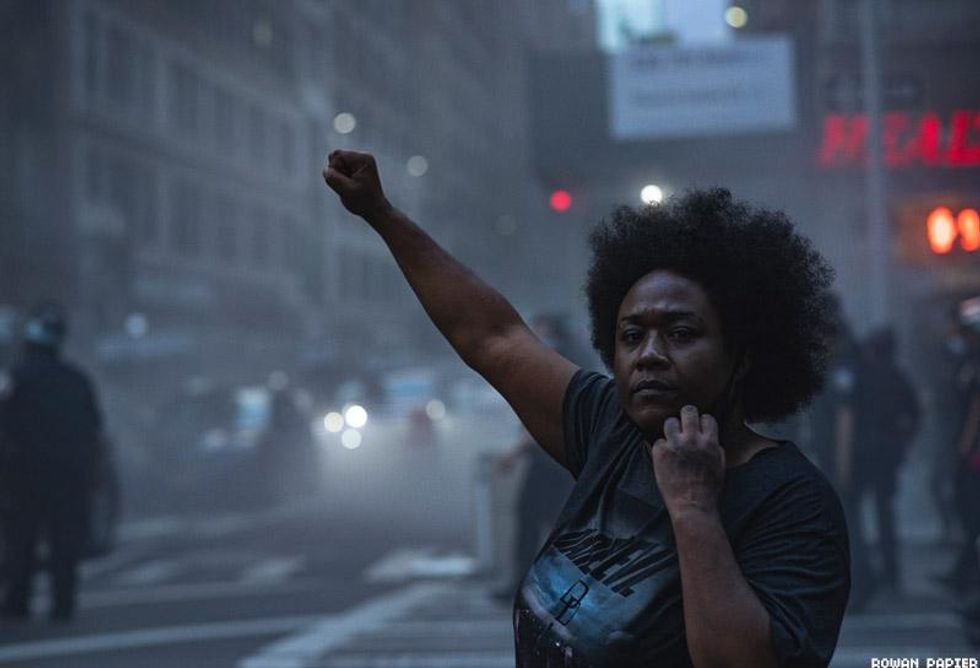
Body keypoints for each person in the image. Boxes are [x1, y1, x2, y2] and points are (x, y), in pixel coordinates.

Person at [323, 150, 849, 666]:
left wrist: (693, 508)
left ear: (743, 355)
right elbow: (493, 336)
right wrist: (381, 213)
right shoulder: (610, 427)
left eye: (681, 333)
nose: (649, 355)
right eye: (631, 335)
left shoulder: (791, 500)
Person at [0, 302, 104, 621]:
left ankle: (19, 601)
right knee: (64, 541)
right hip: (68, 474)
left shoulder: (16, 379)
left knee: (23, 539)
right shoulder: (76, 380)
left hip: (25, 474)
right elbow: (93, 432)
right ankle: (63, 602)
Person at [851, 328, 920, 596]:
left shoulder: (865, 376)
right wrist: (903, 442)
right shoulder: (897, 377)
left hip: (866, 454)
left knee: (859, 511)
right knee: (885, 511)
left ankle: (868, 569)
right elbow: (914, 414)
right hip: (886, 454)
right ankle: (890, 570)